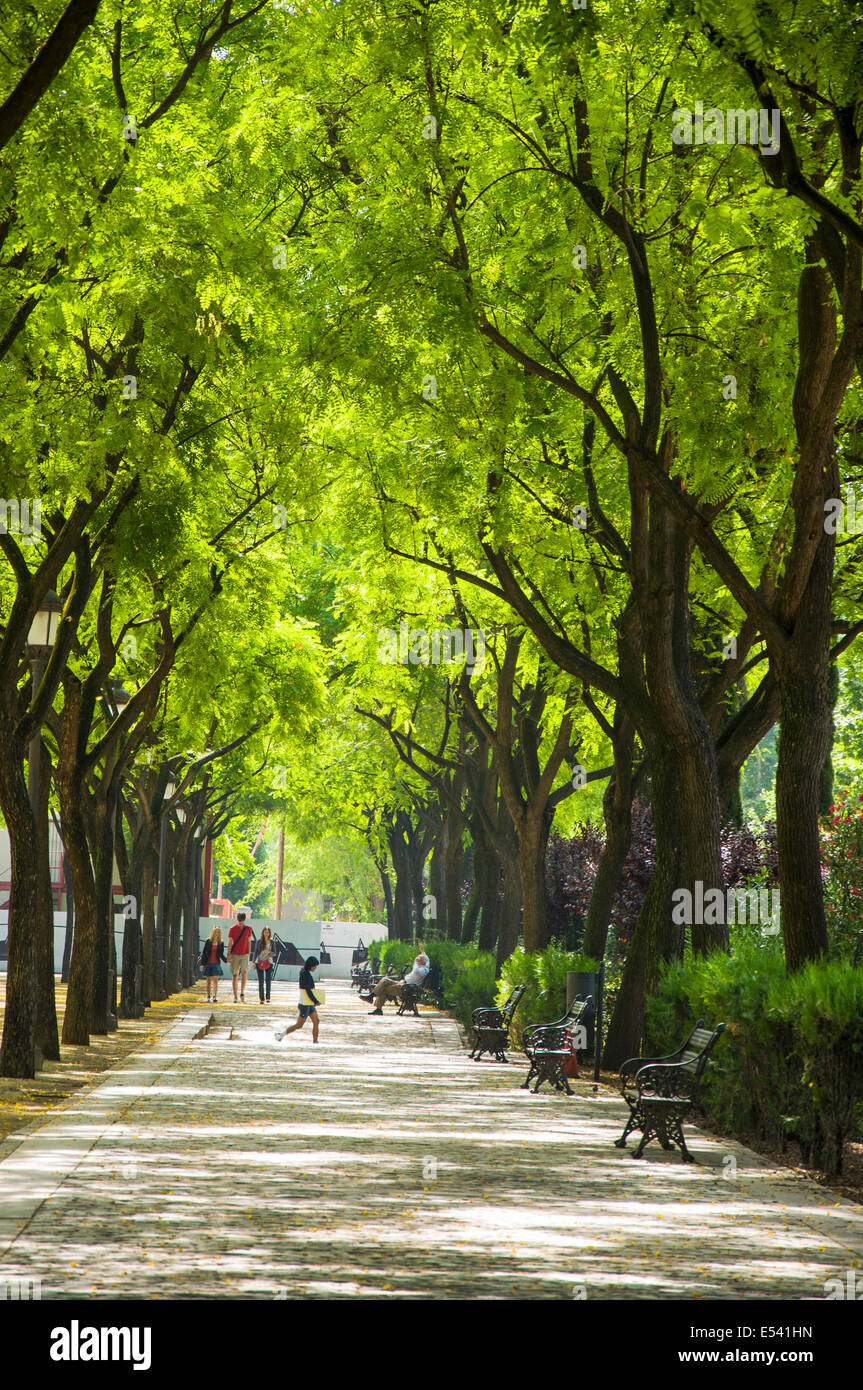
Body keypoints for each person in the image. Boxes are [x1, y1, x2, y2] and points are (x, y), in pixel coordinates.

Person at [369, 942, 429, 1015]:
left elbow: (419, 970)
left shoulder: (423, 970)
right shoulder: (424, 964)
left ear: (421, 962)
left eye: (417, 962)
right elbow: (426, 959)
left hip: (406, 988)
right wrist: (422, 951)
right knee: (384, 980)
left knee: (383, 988)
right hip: (403, 983)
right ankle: (371, 996)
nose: (415, 963)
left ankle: (377, 1008)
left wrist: (417, 964)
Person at [276, 956, 321, 1043]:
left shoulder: (304, 972)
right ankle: (280, 1035)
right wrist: (315, 1001)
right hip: (304, 1003)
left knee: (316, 1021)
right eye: (315, 966)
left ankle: (315, 1041)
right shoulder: (305, 974)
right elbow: (308, 990)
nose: (315, 968)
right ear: (311, 966)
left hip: (308, 1002)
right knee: (299, 1025)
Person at [227, 911, 253, 1003]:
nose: (240, 922)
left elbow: (249, 941)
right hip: (235, 954)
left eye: (241, 920)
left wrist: (249, 954)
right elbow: (230, 942)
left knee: (245, 973)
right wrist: (228, 954)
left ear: (244, 920)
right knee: (235, 975)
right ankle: (235, 996)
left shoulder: (248, 929)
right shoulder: (232, 929)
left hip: (245, 954)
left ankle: (242, 992)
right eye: (239, 920)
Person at [200, 927, 226, 1003]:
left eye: (218, 932)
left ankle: (214, 996)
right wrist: (202, 963)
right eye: (215, 932)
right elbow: (204, 953)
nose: (217, 933)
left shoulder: (221, 942)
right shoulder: (208, 941)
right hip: (208, 963)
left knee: (215, 980)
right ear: (213, 932)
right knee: (208, 981)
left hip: (216, 963)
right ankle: (208, 996)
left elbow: (221, 954)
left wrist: (226, 960)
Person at [254, 926, 275, 1004]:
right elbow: (255, 952)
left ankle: (268, 997)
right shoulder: (259, 941)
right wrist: (253, 962)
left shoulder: (272, 942)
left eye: (268, 932)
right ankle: (261, 998)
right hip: (259, 962)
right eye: (265, 932)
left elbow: (274, 953)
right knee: (261, 981)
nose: (266, 934)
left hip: (269, 962)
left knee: (268, 980)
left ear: (269, 933)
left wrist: (268, 953)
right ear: (263, 933)